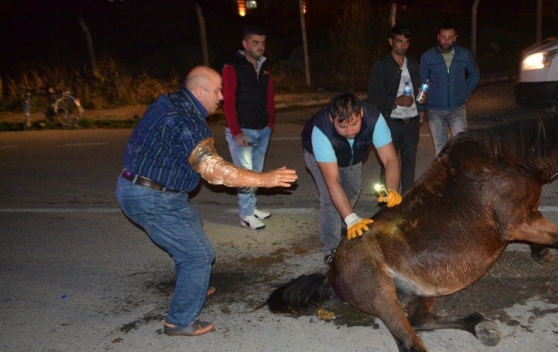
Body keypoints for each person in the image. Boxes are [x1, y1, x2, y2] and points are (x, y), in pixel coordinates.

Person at [116, 66, 297, 336]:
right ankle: (178, 321)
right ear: (199, 91)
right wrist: (265, 179)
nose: (222, 97)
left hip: (147, 187)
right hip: (150, 196)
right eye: (216, 90)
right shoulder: (186, 120)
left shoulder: (168, 101)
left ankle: (193, 284)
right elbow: (214, 170)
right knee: (199, 255)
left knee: (190, 223)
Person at [301, 93, 402, 265]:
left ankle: (342, 222)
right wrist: (351, 218)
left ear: (361, 113)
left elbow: (390, 159)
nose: (350, 131)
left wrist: (392, 189)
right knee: (329, 200)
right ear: (332, 118)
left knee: (353, 191)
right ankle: (331, 248)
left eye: (355, 124)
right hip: (319, 155)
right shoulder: (321, 130)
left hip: (352, 155)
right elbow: (332, 180)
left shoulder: (374, 119)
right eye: (343, 127)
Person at [222, 26, 275, 230]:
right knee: (244, 174)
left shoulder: (265, 66)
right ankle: (245, 215)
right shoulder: (232, 67)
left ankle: (251, 208)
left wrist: (270, 123)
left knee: (256, 172)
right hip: (243, 129)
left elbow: (269, 97)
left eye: (262, 43)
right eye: (255, 42)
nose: (260, 47)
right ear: (245, 44)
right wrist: (236, 131)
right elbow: (228, 101)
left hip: (263, 128)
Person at [368, 24, 423, 194]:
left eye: (406, 41)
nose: (403, 45)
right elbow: (373, 97)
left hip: (412, 122)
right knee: (389, 162)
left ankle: (406, 201)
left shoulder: (413, 64)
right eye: (399, 41)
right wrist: (396, 101)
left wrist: (422, 101)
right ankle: (386, 203)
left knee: (409, 164)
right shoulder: (381, 66)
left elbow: (419, 88)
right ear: (391, 41)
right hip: (391, 122)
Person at [420, 23, 480, 155]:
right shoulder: (428, 56)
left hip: (457, 109)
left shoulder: (464, 54)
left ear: (455, 38)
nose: (446, 41)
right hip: (435, 110)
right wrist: (421, 108)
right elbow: (423, 82)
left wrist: (465, 93)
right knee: (441, 150)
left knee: (462, 147)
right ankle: (444, 175)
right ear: (438, 37)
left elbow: (475, 73)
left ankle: (460, 175)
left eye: (449, 37)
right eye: (443, 37)